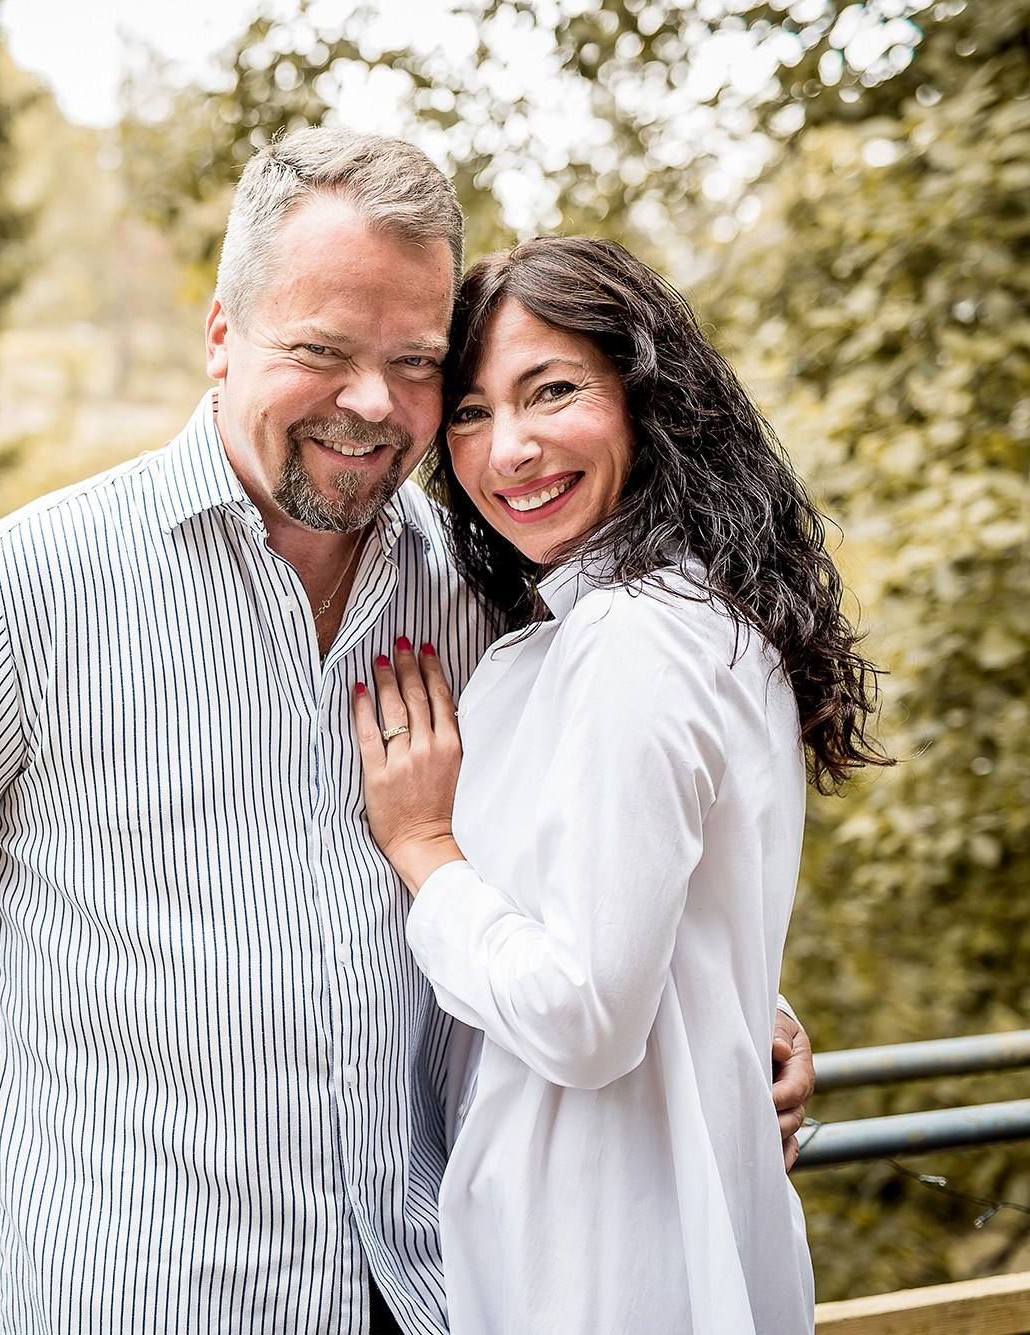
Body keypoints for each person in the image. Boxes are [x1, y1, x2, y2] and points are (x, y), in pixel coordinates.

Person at [0, 131, 816, 1334]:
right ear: (220, 335)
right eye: (321, 349)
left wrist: (723, 1013)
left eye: (416, 362)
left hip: (420, 1292)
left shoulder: (478, 592)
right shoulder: (21, 594)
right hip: (135, 1296)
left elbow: (575, 859)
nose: (371, 402)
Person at [352, 235, 883, 1333]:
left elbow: (587, 1018)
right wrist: (754, 1016)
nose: (509, 449)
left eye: (552, 391)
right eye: (470, 412)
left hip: (603, 1262)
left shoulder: (630, 638)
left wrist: (424, 851)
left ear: (646, 397)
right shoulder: (681, 614)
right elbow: (660, 914)